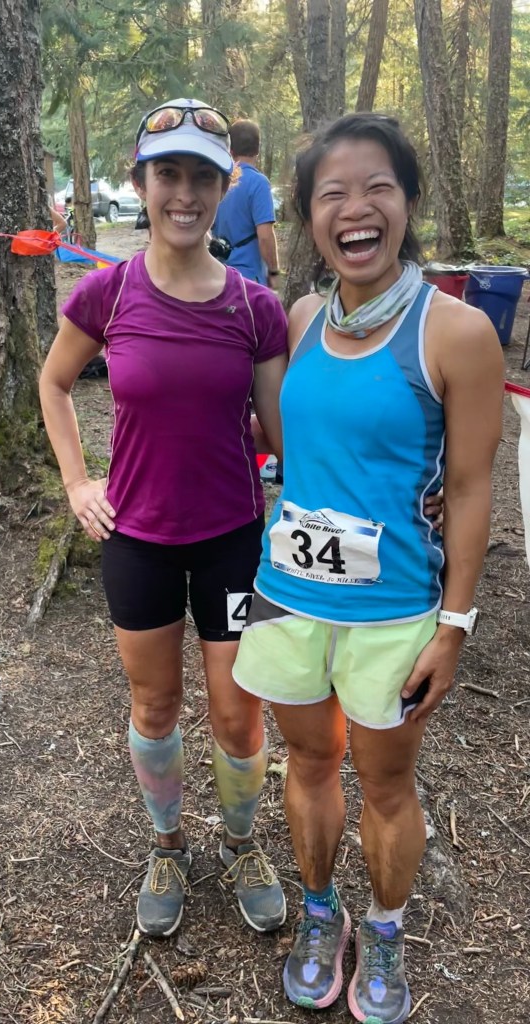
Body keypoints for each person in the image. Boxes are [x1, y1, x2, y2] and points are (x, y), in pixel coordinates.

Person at [232, 114, 504, 1023]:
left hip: (393, 611)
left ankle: (384, 928)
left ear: (409, 202)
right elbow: (289, 447)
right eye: (333, 193)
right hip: (286, 597)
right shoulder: (304, 319)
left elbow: (471, 489)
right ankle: (323, 914)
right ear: (310, 217)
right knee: (310, 762)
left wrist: (453, 627)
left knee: (385, 784)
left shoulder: (456, 332)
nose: (356, 207)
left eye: (378, 187)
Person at [39, 99, 290, 939]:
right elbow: (54, 383)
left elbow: (282, 432)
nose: (185, 194)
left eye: (202, 178)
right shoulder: (107, 293)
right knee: (155, 706)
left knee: (238, 712)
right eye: (168, 174)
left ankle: (242, 843)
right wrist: (78, 483)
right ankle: (168, 844)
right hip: (138, 540)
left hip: (233, 540)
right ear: (142, 184)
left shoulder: (254, 308)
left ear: (225, 188)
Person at [213, 119, 279, 286]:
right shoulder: (259, 183)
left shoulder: (218, 181)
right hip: (249, 279)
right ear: (257, 149)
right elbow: (265, 236)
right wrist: (273, 272)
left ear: (230, 149)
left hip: (218, 275)